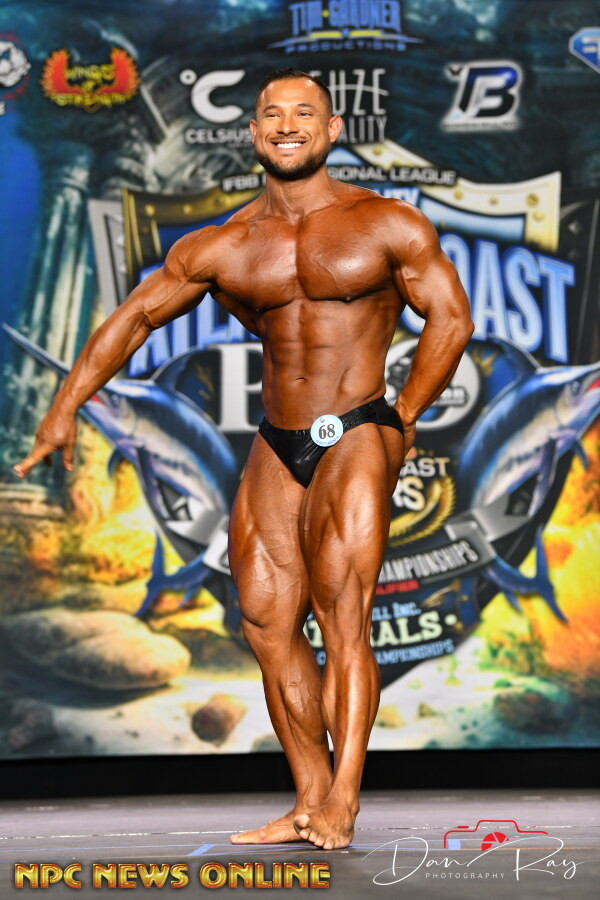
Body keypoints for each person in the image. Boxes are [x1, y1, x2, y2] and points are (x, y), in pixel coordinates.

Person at [13, 68, 474, 850]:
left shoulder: (385, 223)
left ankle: (344, 801)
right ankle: (309, 799)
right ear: (253, 132)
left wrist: (401, 415)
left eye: (304, 113)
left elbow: (451, 319)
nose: (287, 125)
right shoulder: (222, 244)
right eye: (272, 114)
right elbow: (134, 319)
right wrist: (63, 410)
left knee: (343, 614)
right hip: (277, 439)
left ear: (332, 130)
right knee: (264, 620)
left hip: (358, 425)